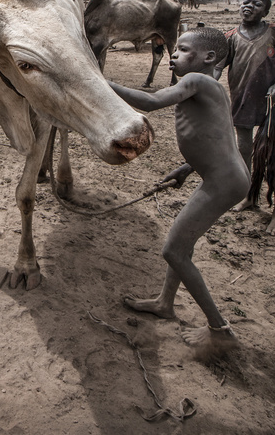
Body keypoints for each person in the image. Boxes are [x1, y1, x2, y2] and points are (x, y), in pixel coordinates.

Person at [108, 27, 250, 350]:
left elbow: (150, 101)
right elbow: (218, 137)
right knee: (183, 239)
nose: (173, 54)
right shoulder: (212, 87)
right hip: (227, 174)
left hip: (222, 181)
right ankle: (165, 302)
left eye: (183, 50)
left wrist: (99, 82)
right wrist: (188, 169)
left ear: (208, 58)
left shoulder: (196, 81)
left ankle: (220, 330)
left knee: (172, 249)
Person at [215, 0, 275, 236]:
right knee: (244, 150)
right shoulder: (230, 37)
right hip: (241, 100)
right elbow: (218, 66)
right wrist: (206, 83)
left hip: (270, 101)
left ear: (265, 12)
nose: (249, 6)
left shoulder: (274, 33)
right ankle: (249, 196)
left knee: (272, 154)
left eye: (257, 3)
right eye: (246, 2)